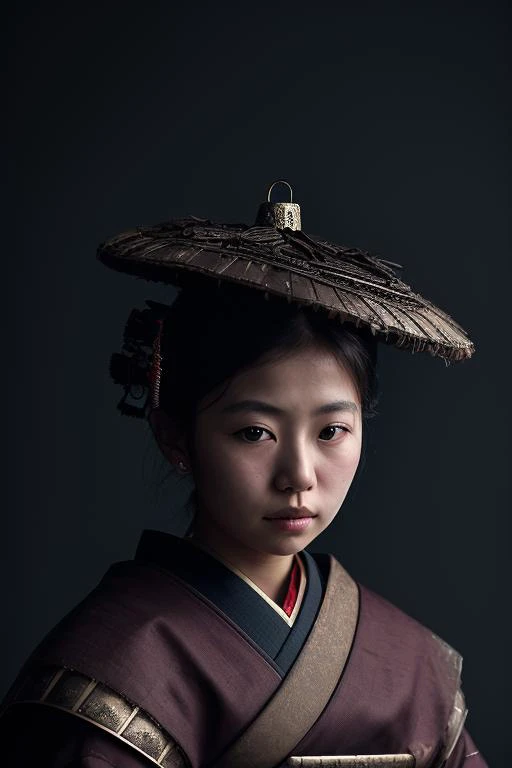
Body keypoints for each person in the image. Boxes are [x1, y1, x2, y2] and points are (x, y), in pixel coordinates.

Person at [0, 183, 487, 767]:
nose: (299, 476)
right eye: (255, 432)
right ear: (175, 433)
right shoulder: (118, 664)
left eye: (331, 431)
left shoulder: (406, 663)